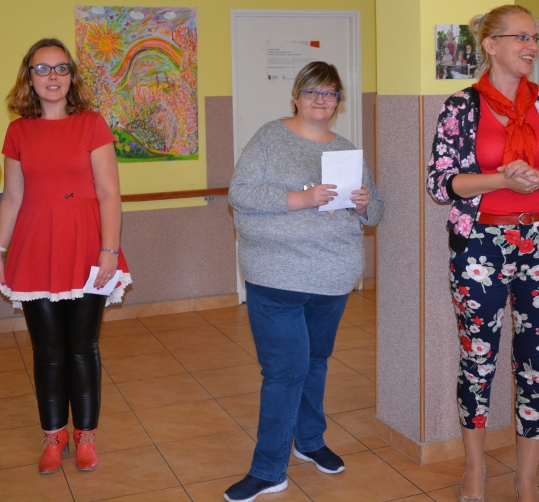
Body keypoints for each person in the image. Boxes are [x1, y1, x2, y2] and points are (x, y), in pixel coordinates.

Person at [426, 5, 539, 502]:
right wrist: (500, 178)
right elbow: (441, 183)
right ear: (491, 46)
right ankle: (475, 471)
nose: (531, 46)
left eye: (535, 37)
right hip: (480, 248)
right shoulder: (461, 106)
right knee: (478, 359)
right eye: (521, 37)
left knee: (535, 362)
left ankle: (527, 480)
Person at [225, 61, 384, 502]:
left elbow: (376, 212)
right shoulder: (269, 137)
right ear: (296, 96)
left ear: (338, 102)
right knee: (284, 373)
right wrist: (303, 198)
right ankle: (268, 470)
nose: (320, 100)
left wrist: (363, 204)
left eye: (329, 93)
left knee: (315, 362)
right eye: (312, 91)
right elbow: (240, 192)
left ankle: (309, 441)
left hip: (332, 278)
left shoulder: (346, 150)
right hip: (275, 277)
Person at [0, 38, 130, 475]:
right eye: (42, 69)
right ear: (28, 77)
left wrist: (109, 250)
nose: (52, 77)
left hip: (88, 246)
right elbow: (12, 198)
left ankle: (86, 436)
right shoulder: (18, 131)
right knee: (48, 350)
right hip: (35, 247)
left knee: (83, 347)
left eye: (61, 68)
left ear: (71, 75)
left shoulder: (92, 124)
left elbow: (109, 193)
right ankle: (54, 436)